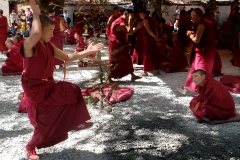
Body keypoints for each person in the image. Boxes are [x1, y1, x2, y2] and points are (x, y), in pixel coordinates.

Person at [18, 0, 104, 159]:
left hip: (49, 85)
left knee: (73, 91)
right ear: (40, 29)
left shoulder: (49, 45)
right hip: (35, 91)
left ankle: (75, 121)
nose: (52, 34)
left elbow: (67, 57)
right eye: (49, 30)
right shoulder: (28, 46)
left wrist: (88, 50)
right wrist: (36, 14)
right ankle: (30, 147)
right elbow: (35, 34)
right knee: (42, 125)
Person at [177, 8, 216, 94]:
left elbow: (197, 40)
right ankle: (187, 88)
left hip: (204, 51)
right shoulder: (208, 21)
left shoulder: (201, 24)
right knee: (195, 69)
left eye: (191, 16)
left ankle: (207, 90)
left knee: (202, 71)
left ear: (195, 16)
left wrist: (189, 35)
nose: (191, 18)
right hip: (208, 50)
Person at [108, 10, 142, 82]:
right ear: (128, 15)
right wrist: (130, 21)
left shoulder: (120, 20)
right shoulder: (120, 23)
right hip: (116, 44)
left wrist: (137, 27)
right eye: (131, 16)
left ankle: (133, 75)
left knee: (127, 58)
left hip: (119, 43)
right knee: (114, 61)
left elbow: (129, 31)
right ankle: (108, 77)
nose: (132, 18)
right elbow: (129, 32)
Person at [138, 9, 162, 76]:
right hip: (151, 38)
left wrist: (155, 37)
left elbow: (149, 30)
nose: (139, 15)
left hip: (147, 39)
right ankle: (156, 69)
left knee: (147, 55)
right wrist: (156, 36)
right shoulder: (152, 19)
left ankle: (145, 71)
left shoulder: (145, 20)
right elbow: (156, 29)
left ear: (143, 13)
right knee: (153, 53)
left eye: (140, 13)